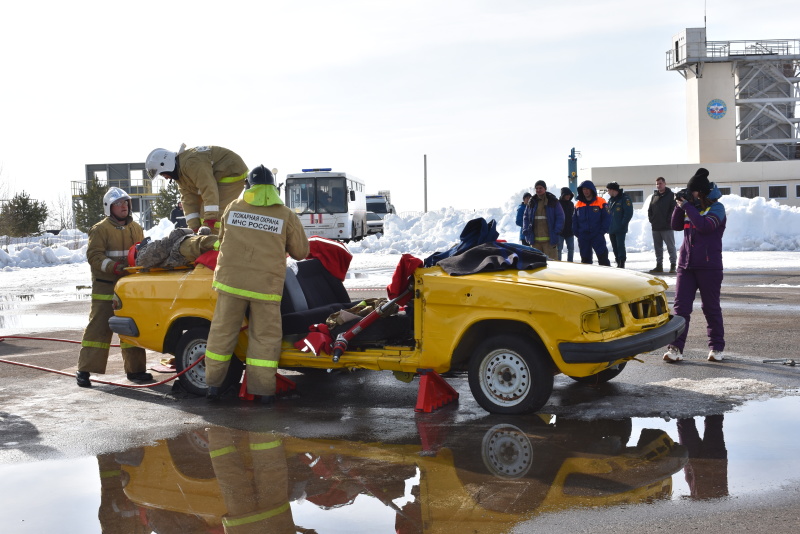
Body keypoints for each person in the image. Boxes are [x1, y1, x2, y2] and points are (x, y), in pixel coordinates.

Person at [205, 165, 310, 402]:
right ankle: (262, 392)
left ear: (249, 188)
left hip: (231, 284)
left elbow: (221, 241)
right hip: (265, 288)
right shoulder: (285, 215)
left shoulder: (233, 208)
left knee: (222, 333)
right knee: (264, 338)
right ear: (272, 188)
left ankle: (213, 386)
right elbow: (302, 252)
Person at [76, 187, 152, 387]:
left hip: (129, 287)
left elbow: (141, 252)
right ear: (109, 208)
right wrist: (114, 267)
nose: (123, 206)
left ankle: (136, 371)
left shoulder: (135, 227)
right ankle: (84, 371)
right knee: (98, 330)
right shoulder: (100, 229)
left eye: (126, 202)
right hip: (106, 287)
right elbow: (94, 257)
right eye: (118, 203)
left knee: (131, 328)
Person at [663, 168, 727, 363]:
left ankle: (716, 348)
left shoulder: (717, 208)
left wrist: (688, 207)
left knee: (710, 308)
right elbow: (675, 225)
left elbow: (705, 226)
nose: (690, 195)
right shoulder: (690, 207)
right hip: (686, 266)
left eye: (693, 192)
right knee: (681, 309)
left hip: (709, 266)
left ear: (701, 192)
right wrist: (678, 206)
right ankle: (675, 348)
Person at [145, 145, 248, 234]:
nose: (166, 178)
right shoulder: (181, 176)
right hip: (218, 177)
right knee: (202, 217)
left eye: (163, 174)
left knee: (211, 218)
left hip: (231, 172)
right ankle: (207, 243)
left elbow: (208, 188)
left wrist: (210, 220)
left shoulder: (191, 163)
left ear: (166, 165)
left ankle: (214, 248)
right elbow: (189, 201)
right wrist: (194, 228)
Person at [676, 415, 729, 499]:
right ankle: (714, 403)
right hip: (713, 461)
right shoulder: (722, 507)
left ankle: (683, 404)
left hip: (696, 464)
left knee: (685, 423)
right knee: (714, 421)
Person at [522, 180, 564, 260]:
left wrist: (556, 231)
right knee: (536, 264)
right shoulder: (532, 202)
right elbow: (526, 217)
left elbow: (560, 216)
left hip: (550, 241)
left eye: (540, 188)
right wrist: (526, 230)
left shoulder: (552, 201)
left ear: (545, 189)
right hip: (535, 242)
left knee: (552, 264)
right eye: (536, 188)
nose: (538, 190)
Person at [572, 180, 611, 266]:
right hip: (583, 236)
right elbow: (574, 220)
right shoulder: (578, 204)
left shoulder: (601, 202)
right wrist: (577, 232)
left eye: (587, 189)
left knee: (603, 259)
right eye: (584, 189)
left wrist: (601, 232)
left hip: (597, 235)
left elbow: (607, 218)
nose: (585, 191)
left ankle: (607, 278)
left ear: (592, 189)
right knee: (585, 261)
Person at [648, 176, 677, 273]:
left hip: (667, 227)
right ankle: (659, 265)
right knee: (658, 248)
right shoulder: (654, 196)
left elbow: (673, 210)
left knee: (670, 247)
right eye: (657, 184)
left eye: (660, 183)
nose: (658, 186)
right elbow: (650, 210)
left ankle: (673, 266)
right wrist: (651, 219)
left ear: (665, 183)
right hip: (656, 227)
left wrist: (668, 221)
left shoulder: (671, 195)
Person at [606, 181, 633, 268]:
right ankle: (617, 261)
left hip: (620, 228)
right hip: (611, 228)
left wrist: (622, 224)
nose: (608, 192)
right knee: (614, 247)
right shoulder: (610, 200)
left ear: (613, 190)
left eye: (609, 190)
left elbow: (628, 213)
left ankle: (621, 262)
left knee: (620, 246)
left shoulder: (624, 199)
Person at [557, 187, 575, 262]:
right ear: (563, 195)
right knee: (558, 249)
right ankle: (558, 263)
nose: (568, 196)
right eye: (566, 195)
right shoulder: (558, 204)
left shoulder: (571, 204)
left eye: (569, 195)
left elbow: (574, 216)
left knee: (571, 249)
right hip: (560, 231)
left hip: (570, 231)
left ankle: (570, 263)